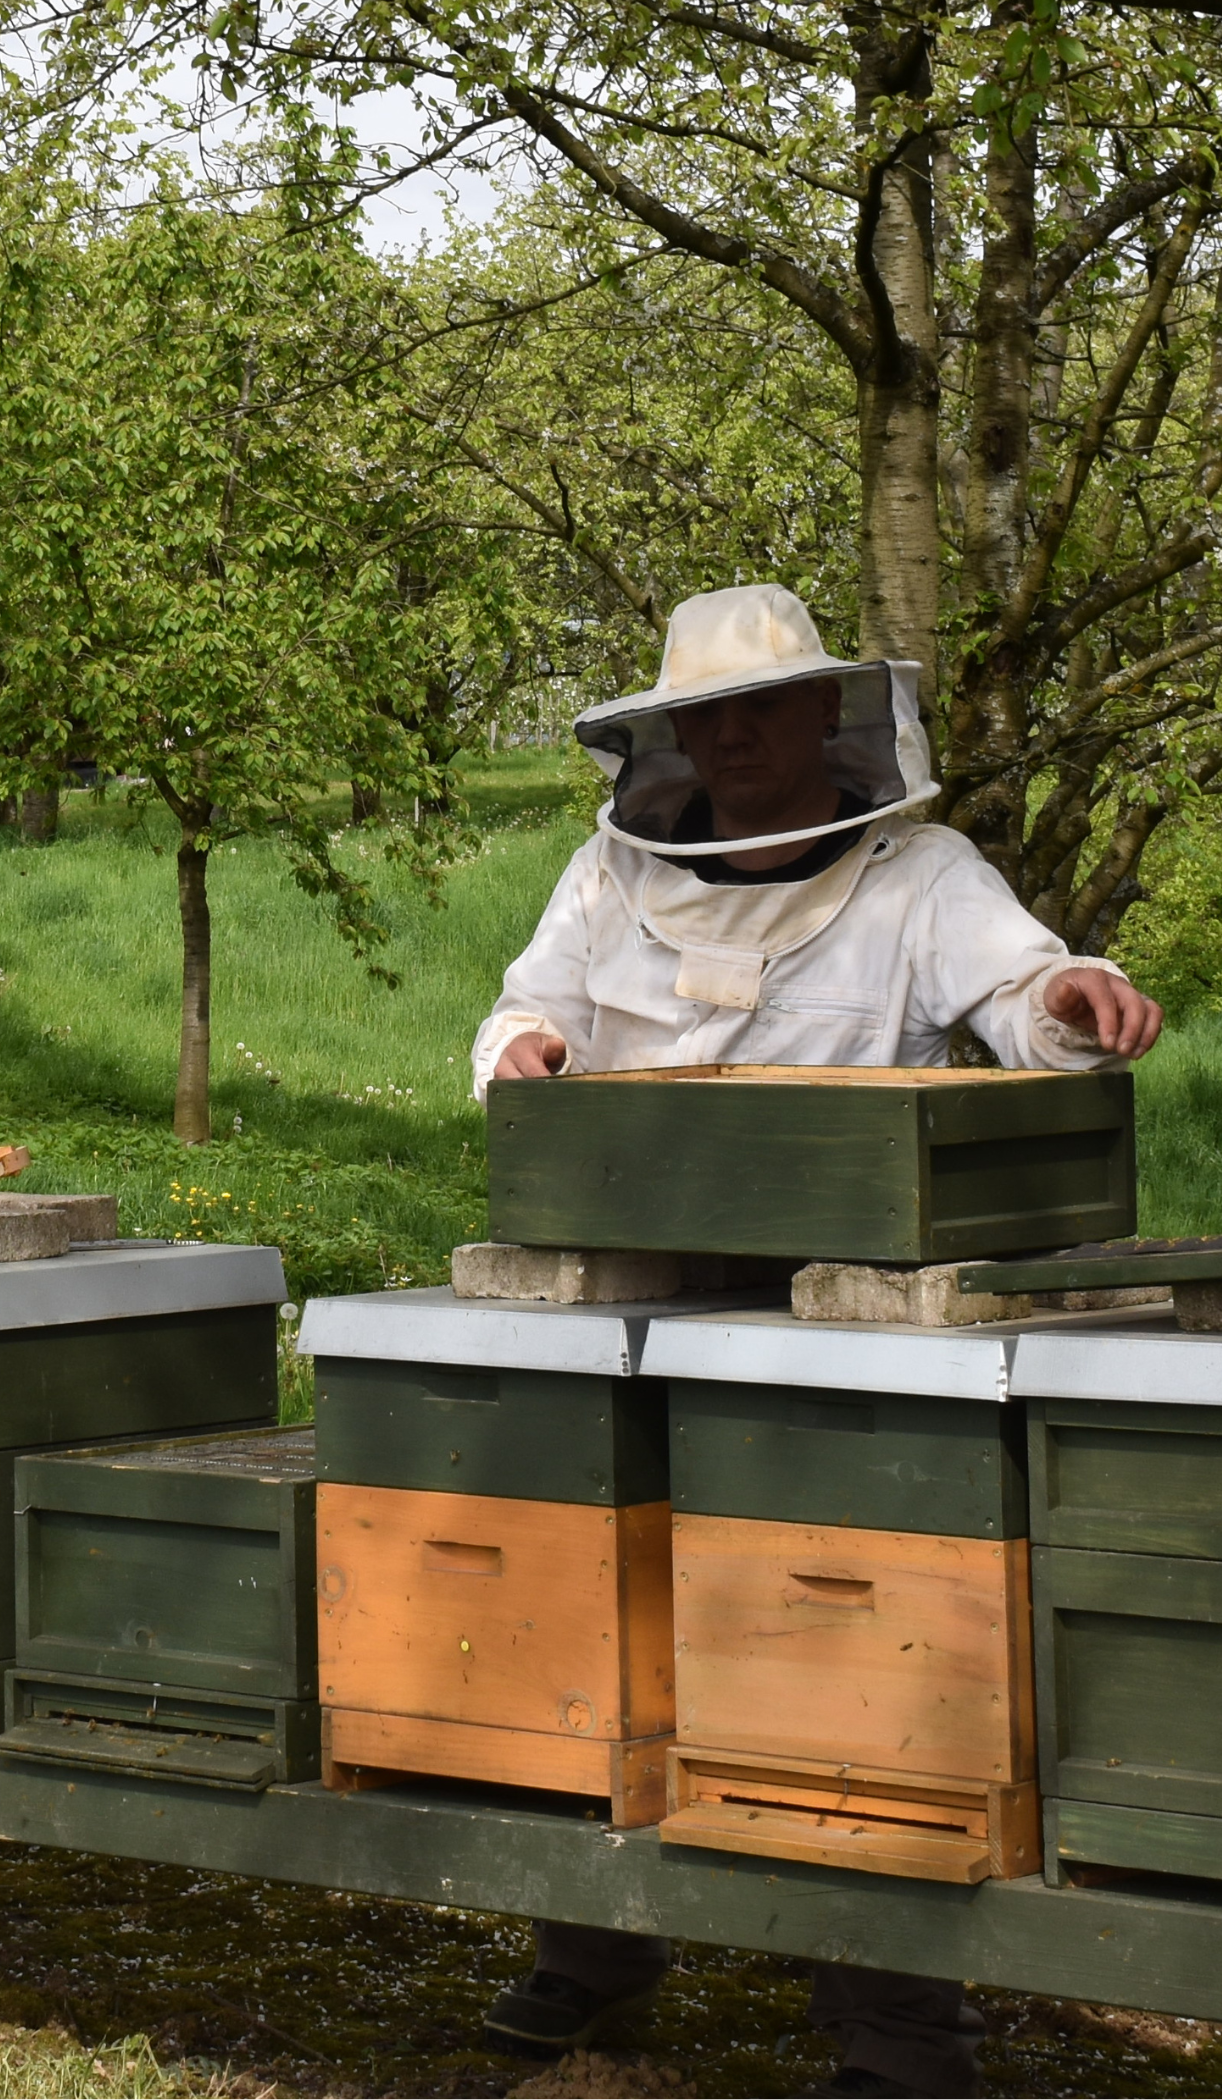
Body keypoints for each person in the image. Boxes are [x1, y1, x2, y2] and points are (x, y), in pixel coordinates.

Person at [467, 584, 1162, 2099]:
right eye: (705, 716)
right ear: (669, 735)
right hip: (625, 1300)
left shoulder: (923, 873)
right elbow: (522, 1014)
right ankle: (592, 1953)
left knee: (850, 1665)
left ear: (825, 718)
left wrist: (1073, 996)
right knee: (589, 1624)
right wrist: (519, 1054)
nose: (735, 739)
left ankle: (899, 2029)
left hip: (833, 1335)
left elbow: (1017, 993)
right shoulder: (606, 872)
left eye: (763, 709)